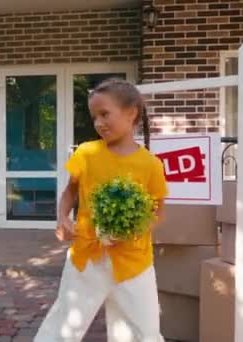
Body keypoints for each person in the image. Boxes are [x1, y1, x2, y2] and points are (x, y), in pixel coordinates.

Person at [34, 78, 168, 342]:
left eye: (104, 114)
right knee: (64, 327)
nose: (98, 123)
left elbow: (158, 211)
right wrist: (62, 218)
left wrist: (135, 230)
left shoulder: (151, 165)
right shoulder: (86, 153)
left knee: (144, 333)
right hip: (87, 258)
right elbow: (70, 192)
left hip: (134, 263)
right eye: (94, 116)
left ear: (132, 113)